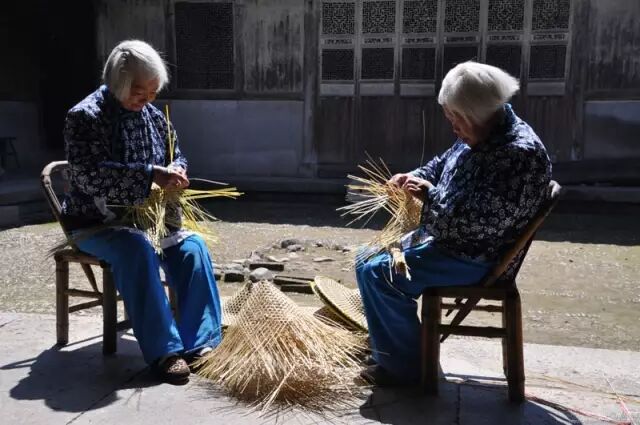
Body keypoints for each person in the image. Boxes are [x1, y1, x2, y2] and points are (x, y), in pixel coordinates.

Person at [356, 61, 552, 386]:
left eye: (455, 118)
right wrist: (413, 177)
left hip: (475, 256)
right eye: (450, 118)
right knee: (366, 257)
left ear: (475, 113)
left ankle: (407, 370)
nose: (453, 127)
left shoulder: (519, 155)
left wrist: (429, 195)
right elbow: (439, 165)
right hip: (448, 241)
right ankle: (391, 347)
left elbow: (474, 226)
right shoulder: (481, 131)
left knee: (380, 275)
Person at [61, 40, 222, 385]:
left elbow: (177, 154)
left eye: (152, 92)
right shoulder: (85, 117)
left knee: (193, 249)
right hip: (97, 223)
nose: (146, 99)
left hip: (151, 220)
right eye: (138, 91)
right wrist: (150, 175)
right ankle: (165, 352)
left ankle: (202, 344)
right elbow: (89, 176)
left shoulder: (153, 117)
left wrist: (176, 171)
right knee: (136, 249)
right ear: (117, 82)